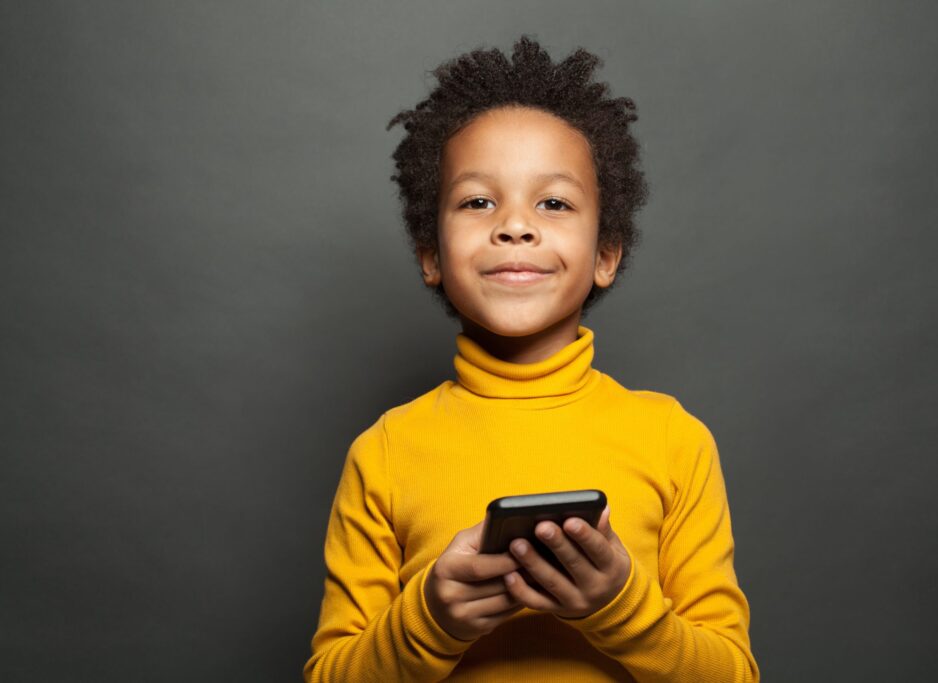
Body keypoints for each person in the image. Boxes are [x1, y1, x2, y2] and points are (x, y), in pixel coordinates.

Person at [303, 35, 759, 682]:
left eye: (554, 202)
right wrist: (431, 617)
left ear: (606, 254)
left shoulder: (673, 441)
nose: (515, 226)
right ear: (430, 255)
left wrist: (620, 607)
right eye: (478, 201)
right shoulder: (383, 453)